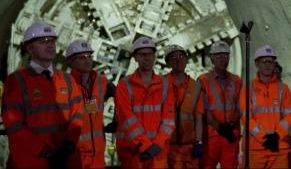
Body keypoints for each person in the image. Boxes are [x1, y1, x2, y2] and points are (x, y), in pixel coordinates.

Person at [1, 21, 84, 168]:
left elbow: (77, 115)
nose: (50, 45)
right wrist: (46, 152)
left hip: (66, 161)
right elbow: (14, 125)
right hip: (32, 163)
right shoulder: (16, 81)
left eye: (52, 41)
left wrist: (69, 146)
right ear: (29, 48)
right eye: (43, 41)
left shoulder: (67, 80)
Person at [115, 37, 175, 168]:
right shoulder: (125, 84)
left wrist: (157, 145)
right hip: (134, 152)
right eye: (142, 54)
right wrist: (145, 146)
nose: (147, 58)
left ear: (154, 56)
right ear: (135, 58)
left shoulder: (165, 84)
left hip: (157, 152)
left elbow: (169, 120)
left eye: (150, 54)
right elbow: (126, 118)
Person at [240, 45, 291, 168]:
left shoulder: (283, 88)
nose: (267, 65)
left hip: (279, 148)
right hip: (255, 149)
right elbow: (246, 117)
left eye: (270, 61)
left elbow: (290, 116)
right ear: (257, 63)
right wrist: (264, 138)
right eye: (264, 61)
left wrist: (277, 135)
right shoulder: (248, 88)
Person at [65, 39, 116, 168]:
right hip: (76, 156)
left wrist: (117, 120)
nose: (87, 60)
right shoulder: (64, 86)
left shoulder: (102, 82)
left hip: (98, 154)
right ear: (70, 62)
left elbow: (123, 98)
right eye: (81, 57)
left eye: (89, 56)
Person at [197, 41, 242, 169]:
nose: (223, 59)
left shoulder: (237, 80)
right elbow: (203, 108)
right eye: (219, 56)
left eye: (226, 55)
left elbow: (241, 105)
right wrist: (218, 126)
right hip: (211, 138)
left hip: (230, 137)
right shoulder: (203, 80)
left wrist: (232, 124)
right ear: (211, 58)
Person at [164, 44, 204, 168]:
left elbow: (198, 117)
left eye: (181, 56)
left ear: (186, 60)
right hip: (166, 147)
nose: (178, 59)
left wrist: (198, 141)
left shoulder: (196, 86)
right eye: (173, 57)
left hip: (189, 148)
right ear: (168, 63)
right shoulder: (160, 84)